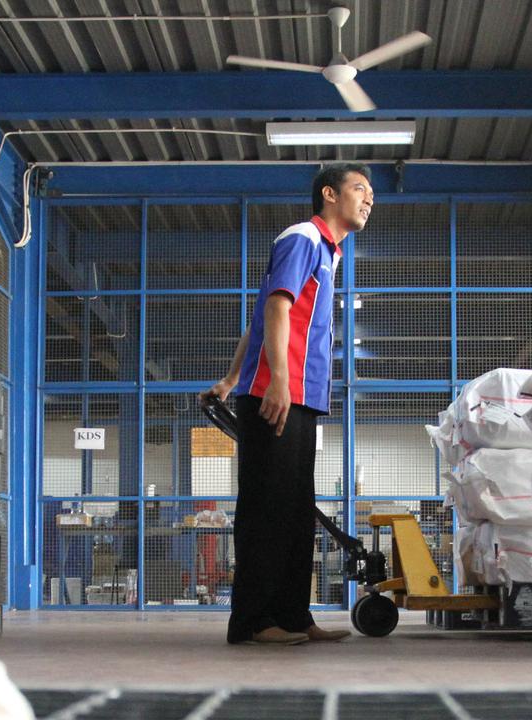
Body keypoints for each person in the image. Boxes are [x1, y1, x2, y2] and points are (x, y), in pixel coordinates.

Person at [201, 163, 374, 644]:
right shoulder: (303, 238)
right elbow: (275, 308)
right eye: (360, 188)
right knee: (267, 509)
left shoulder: (329, 254)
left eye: (371, 194)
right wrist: (275, 380)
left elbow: (260, 317)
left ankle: (294, 616)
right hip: (276, 394)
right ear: (329, 194)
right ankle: (253, 621)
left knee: (297, 512)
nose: (368, 199)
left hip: (301, 397)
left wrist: (229, 378)